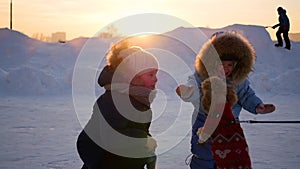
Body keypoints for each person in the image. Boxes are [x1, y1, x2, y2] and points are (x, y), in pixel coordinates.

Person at [176, 32, 275, 169]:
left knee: (228, 156)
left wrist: (258, 106)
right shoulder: (201, 77)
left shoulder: (238, 81)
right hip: (204, 122)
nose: (225, 68)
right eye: (221, 64)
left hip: (229, 125)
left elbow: (246, 95)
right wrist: (187, 92)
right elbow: (195, 91)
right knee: (203, 155)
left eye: (229, 65)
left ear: (237, 65)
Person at [76, 40, 159, 169]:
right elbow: (111, 137)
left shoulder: (138, 100)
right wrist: (144, 141)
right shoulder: (114, 100)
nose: (156, 78)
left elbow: (138, 130)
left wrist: (147, 149)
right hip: (103, 160)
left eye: (156, 73)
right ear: (134, 76)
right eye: (150, 74)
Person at [197, 76, 252, 169]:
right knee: (241, 162)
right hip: (237, 139)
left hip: (223, 146)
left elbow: (206, 132)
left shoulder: (214, 111)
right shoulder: (227, 107)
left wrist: (201, 137)